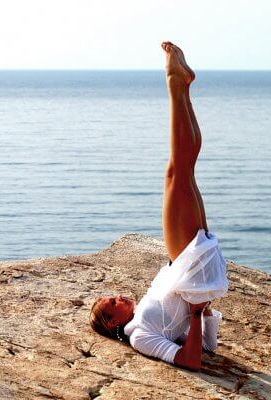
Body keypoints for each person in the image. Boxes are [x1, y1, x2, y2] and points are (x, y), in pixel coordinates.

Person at [89, 42, 229, 371]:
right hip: (191, 268)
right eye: (112, 303)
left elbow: (207, 344)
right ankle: (175, 84)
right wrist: (197, 311)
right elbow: (192, 359)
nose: (118, 296)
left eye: (112, 296)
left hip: (191, 268)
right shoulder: (139, 335)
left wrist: (201, 311)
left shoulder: (143, 315)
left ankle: (183, 87)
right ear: (113, 323)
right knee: (179, 170)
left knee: (180, 170)